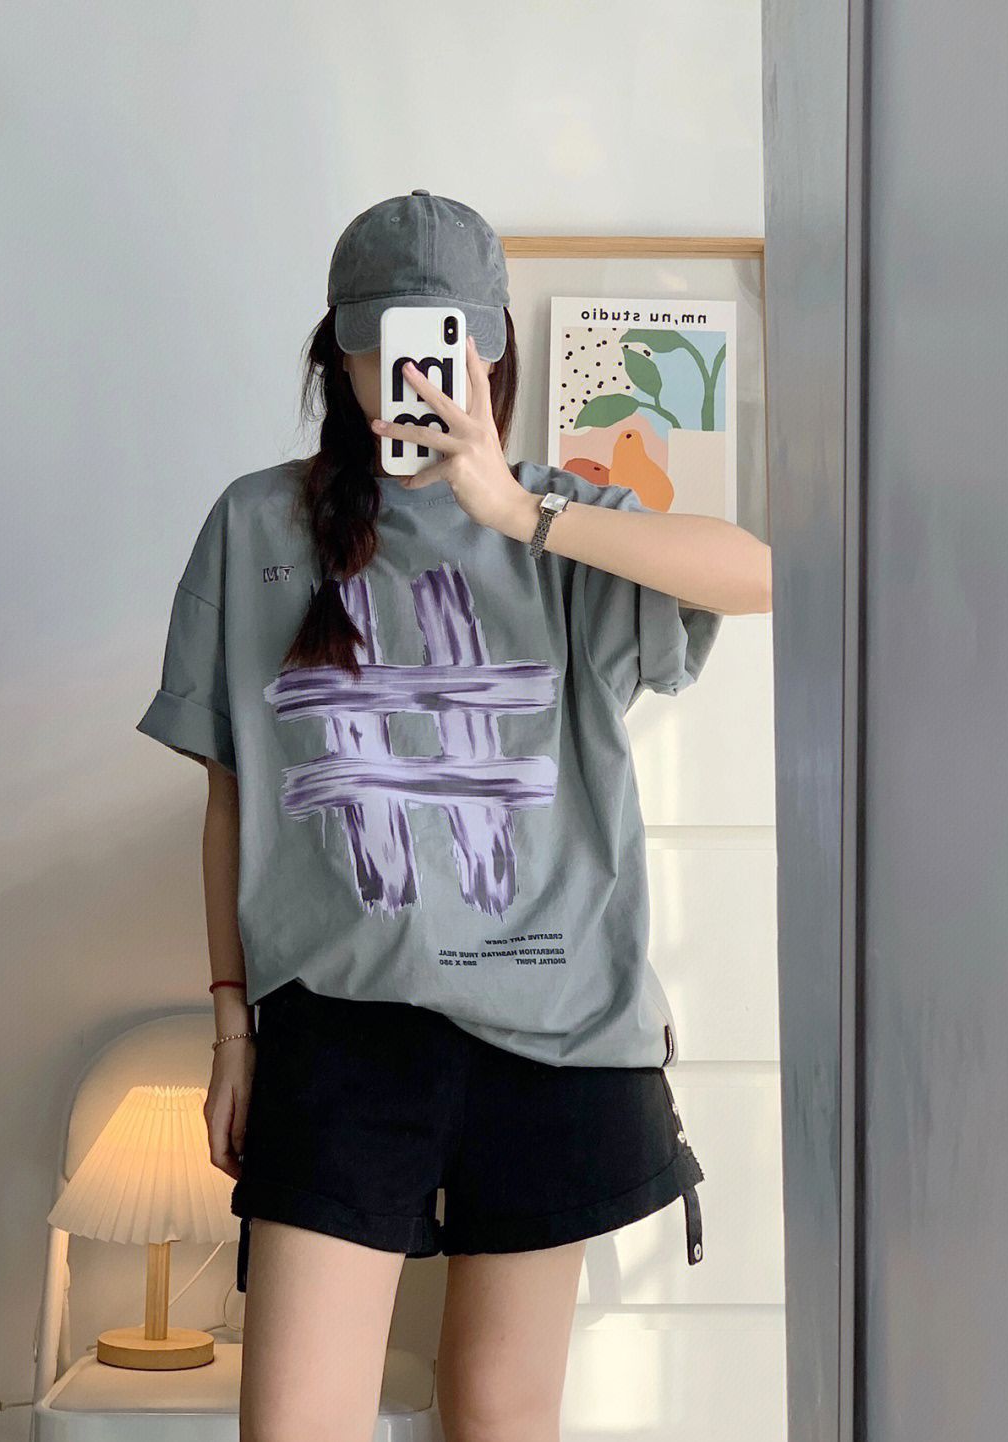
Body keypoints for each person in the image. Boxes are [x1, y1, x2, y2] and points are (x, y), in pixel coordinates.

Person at [136, 189, 772, 1442]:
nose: (418, 379)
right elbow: (230, 795)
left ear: (492, 353)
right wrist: (231, 1029)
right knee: (295, 1422)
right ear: (339, 356)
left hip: (558, 1032)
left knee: (499, 1411)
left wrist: (514, 508)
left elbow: (765, 574)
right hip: (342, 1033)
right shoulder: (256, 524)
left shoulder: (565, 521)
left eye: (449, 347)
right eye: (387, 348)